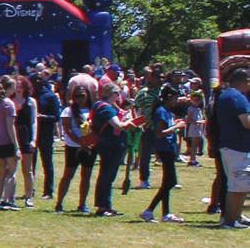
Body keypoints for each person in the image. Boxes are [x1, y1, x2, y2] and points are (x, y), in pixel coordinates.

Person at [91, 82, 139, 217]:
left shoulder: (100, 105)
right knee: (107, 176)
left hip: (108, 144)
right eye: (117, 93)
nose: (119, 96)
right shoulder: (106, 108)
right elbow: (118, 125)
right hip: (110, 145)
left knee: (107, 175)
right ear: (109, 93)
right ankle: (102, 207)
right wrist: (129, 122)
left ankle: (106, 205)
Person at [140, 86, 187, 223]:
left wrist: (174, 124)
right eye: (175, 98)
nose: (176, 101)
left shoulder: (167, 111)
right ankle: (149, 210)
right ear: (169, 98)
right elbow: (160, 133)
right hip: (164, 148)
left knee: (167, 182)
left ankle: (165, 213)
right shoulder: (161, 111)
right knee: (170, 182)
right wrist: (176, 127)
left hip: (169, 147)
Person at [215, 67, 250, 229]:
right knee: (238, 186)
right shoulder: (237, 97)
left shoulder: (227, 95)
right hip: (237, 148)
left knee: (239, 185)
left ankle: (236, 217)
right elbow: (246, 122)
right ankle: (230, 221)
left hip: (233, 147)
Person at [53, 87, 97, 214]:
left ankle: (82, 204)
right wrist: (80, 143)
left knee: (86, 175)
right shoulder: (68, 111)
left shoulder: (92, 110)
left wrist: (89, 143)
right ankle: (59, 203)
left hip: (90, 147)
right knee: (68, 175)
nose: (80, 99)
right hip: (73, 146)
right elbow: (67, 130)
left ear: (87, 96)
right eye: (77, 96)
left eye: (82, 95)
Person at [0, 75, 22, 211]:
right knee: (12, 171)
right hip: (6, 141)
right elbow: (10, 126)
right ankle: (8, 200)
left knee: (2, 171)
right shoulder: (8, 104)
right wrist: (16, 146)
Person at [12, 75, 38, 207]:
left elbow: (34, 121)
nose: (18, 89)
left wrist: (34, 139)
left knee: (27, 170)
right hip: (12, 136)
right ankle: (10, 196)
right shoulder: (10, 101)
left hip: (26, 136)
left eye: (20, 86)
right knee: (11, 169)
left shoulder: (31, 102)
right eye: (16, 86)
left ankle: (29, 197)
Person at [36, 77, 62, 200]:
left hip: (45, 132)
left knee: (47, 162)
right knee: (30, 163)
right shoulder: (30, 95)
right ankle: (29, 190)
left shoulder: (50, 97)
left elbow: (56, 116)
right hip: (32, 132)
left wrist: (43, 117)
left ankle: (48, 190)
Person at [185, 79, 206, 167]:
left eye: (198, 100)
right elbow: (188, 119)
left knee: (196, 144)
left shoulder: (198, 109)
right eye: (194, 100)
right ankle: (192, 160)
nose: (196, 102)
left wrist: (202, 121)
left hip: (198, 128)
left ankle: (194, 159)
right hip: (194, 128)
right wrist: (197, 122)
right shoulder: (191, 109)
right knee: (194, 145)